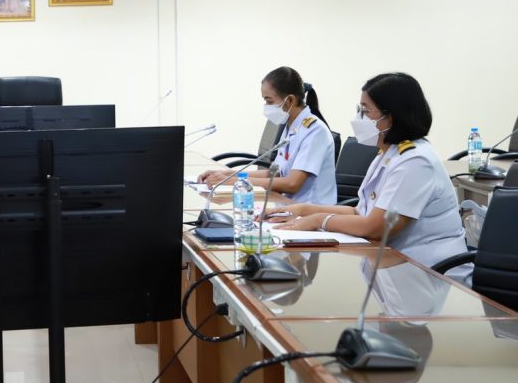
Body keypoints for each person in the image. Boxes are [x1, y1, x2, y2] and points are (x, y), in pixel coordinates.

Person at [266, 72, 471, 282]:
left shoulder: (416, 161)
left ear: (391, 116)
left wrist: (319, 220)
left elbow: (376, 228)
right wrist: (302, 210)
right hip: (395, 267)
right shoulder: (388, 154)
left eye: (365, 111)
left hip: (432, 275)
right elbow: (360, 211)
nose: (359, 118)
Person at [198, 67, 337, 205]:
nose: (266, 106)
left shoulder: (315, 131)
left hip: (310, 212)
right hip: (286, 206)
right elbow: (273, 174)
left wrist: (236, 181)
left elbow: (292, 184)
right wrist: (226, 175)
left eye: (269, 101)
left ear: (289, 101)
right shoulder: (291, 127)